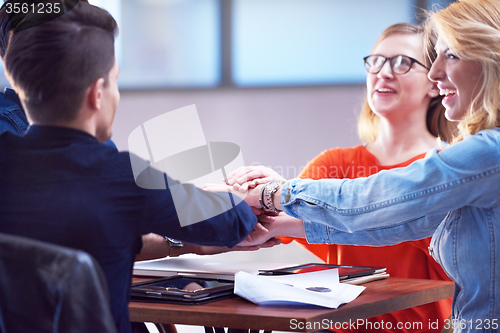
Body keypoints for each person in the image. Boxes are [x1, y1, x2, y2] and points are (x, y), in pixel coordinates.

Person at [0, 3, 271, 333]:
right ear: (97, 93)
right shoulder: (122, 176)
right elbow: (231, 222)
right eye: (114, 81)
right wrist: (232, 200)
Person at [235, 0, 500, 331]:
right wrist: (273, 212)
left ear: (489, 59)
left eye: (451, 54)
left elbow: (372, 204)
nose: (383, 72)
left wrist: (275, 193)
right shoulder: (337, 162)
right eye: (376, 61)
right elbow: (384, 223)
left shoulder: (484, 154)